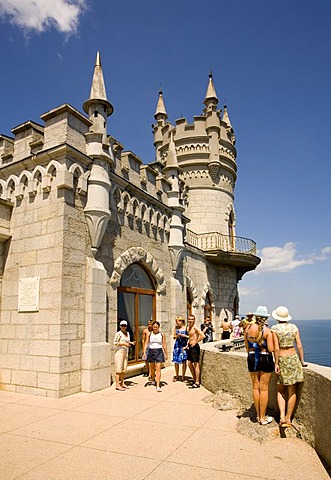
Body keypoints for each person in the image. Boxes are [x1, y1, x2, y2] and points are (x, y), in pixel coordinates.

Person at [271, 306, 307, 428]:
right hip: (293, 359)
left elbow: (276, 348)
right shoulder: (294, 327)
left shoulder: (274, 328)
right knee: (292, 390)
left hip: (282, 359)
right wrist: (302, 361)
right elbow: (299, 346)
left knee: (281, 389)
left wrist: (276, 363)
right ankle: (288, 418)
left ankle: (281, 417)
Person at [244, 305, 274, 425]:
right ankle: (263, 417)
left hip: (252, 357)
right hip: (265, 358)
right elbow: (271, 349)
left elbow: (247, 347)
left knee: (255, 387)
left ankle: (257, 415)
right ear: (265, 318)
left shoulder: (247, 329)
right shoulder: (267, 331)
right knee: (264, 389)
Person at [143, 321, 168, 392]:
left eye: (156, 327)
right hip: (151, 350)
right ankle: (153, 379)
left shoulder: (162, 334)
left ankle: (158, 385)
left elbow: (164, 344)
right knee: (152, 367)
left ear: (159, 327)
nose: (155, 328)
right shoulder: (149, 334)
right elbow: (146, 343)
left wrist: (166, 354)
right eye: (154, 327)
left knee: (158, 368)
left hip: (159, 351)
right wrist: (144, 352)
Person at [113, 320, 135, 391]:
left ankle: (122, 382)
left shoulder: (127, 333)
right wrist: (124, 344)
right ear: (120, 326)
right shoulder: (118, 334)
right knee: (118, 369)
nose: (123, 327)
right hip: (120, 352)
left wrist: (131, 343)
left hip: (126, 351)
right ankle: (117, 384)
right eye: (122, 325)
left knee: (124, 369)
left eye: (125, 326)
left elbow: (127, 341)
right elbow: (115, 342)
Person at [185, 314, 205, 388]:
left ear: (194, 320)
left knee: (196, 364)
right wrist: (187, 345)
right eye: (189, 319)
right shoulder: (188, 328)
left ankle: (197, 382)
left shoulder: (195, 327)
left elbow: (203, 335)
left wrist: (196, 342)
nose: (190, 320)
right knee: (189, 364)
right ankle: (194, 378)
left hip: (195, 347)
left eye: (192, 319)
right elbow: (190, 337)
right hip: (190, 347)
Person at [172, 315, 188, 381]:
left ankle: (183, 376)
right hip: (177, 345)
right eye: (177, 321)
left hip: (183, 345)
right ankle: (177, 375)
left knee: (184, 360)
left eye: (179, 321)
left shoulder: (186, 328)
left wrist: (183, 335)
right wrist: (177, 336)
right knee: (176, 361)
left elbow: (189, 336)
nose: (178, 322)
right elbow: (174, 336)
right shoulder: (176, 328)